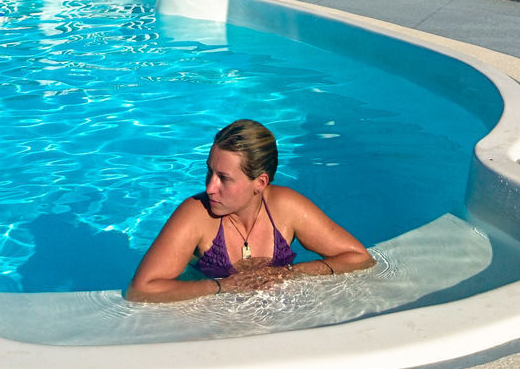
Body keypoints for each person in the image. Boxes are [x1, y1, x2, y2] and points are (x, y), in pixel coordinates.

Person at [125, 118, 374, 303]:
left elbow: (358, 257)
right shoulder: (196, 214)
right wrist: (222, 286)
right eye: (209, 171)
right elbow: (142, 289)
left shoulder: (286, 207)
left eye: (224, 178)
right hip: (211, 312)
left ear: (260, 182)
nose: (210, 187)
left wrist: (288, 273)